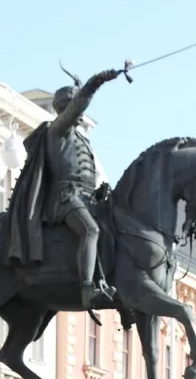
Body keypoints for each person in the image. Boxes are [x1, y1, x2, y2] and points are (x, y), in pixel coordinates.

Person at [6, 67, 122, 307]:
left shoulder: (81, 139)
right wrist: (98, 80)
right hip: (64, 198)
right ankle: (88, 288)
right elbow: (79, 104)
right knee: (91, 231)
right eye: (75, 106)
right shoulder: (58, 130)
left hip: (85, 197)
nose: (81, 112)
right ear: (67, 107)